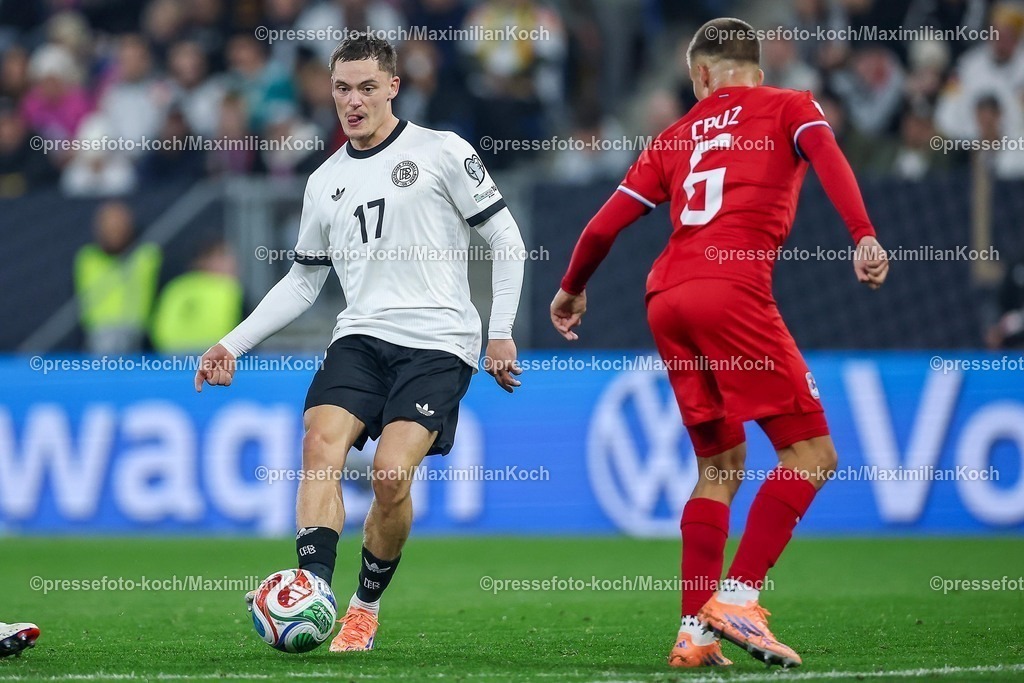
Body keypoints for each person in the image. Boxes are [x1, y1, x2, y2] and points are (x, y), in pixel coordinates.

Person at [550, 17, 889, 670]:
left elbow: (601, 228)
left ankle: (694, 634)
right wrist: (863, 234)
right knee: (812, 453)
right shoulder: (791, 105)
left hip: (666, 298)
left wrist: (571, 288)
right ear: (756, 68)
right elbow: (828, 156)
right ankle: (737, 597)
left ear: (702, 74)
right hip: (730, 290)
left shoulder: (675, 135)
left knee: (718, 466)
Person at [195, 34, 525, 653]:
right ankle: (312, 589)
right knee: (318, 443)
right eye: (343, 89)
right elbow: (303, 281)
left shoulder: (442, 151)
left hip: (438, 342)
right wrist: (231, 344)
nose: (353, 101)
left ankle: (364, 607)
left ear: (394, 87)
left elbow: (506, 240)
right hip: (361, 336)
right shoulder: (324, 181)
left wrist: (501, 330)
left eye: (367, 87)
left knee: (390, 477)